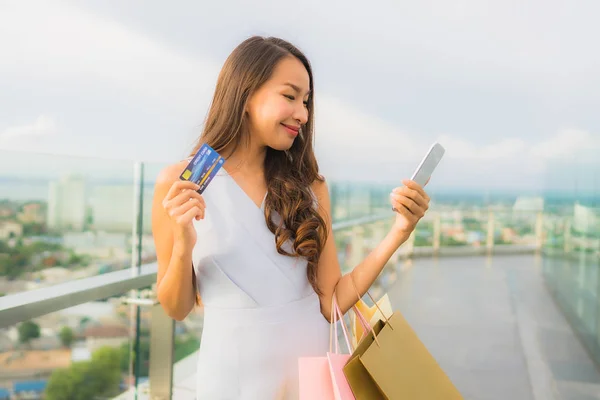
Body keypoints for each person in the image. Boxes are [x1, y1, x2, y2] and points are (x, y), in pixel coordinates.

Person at [151, 36, 431, 399]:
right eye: (290, 96)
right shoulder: (180, 183)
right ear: (246, 93)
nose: (303, 113)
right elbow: (176, 308)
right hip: (230, 379)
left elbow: (332, 304)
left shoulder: (310, 186)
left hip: (310, 376)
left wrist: (400, 231)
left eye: (306, 101)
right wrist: (183, 244)